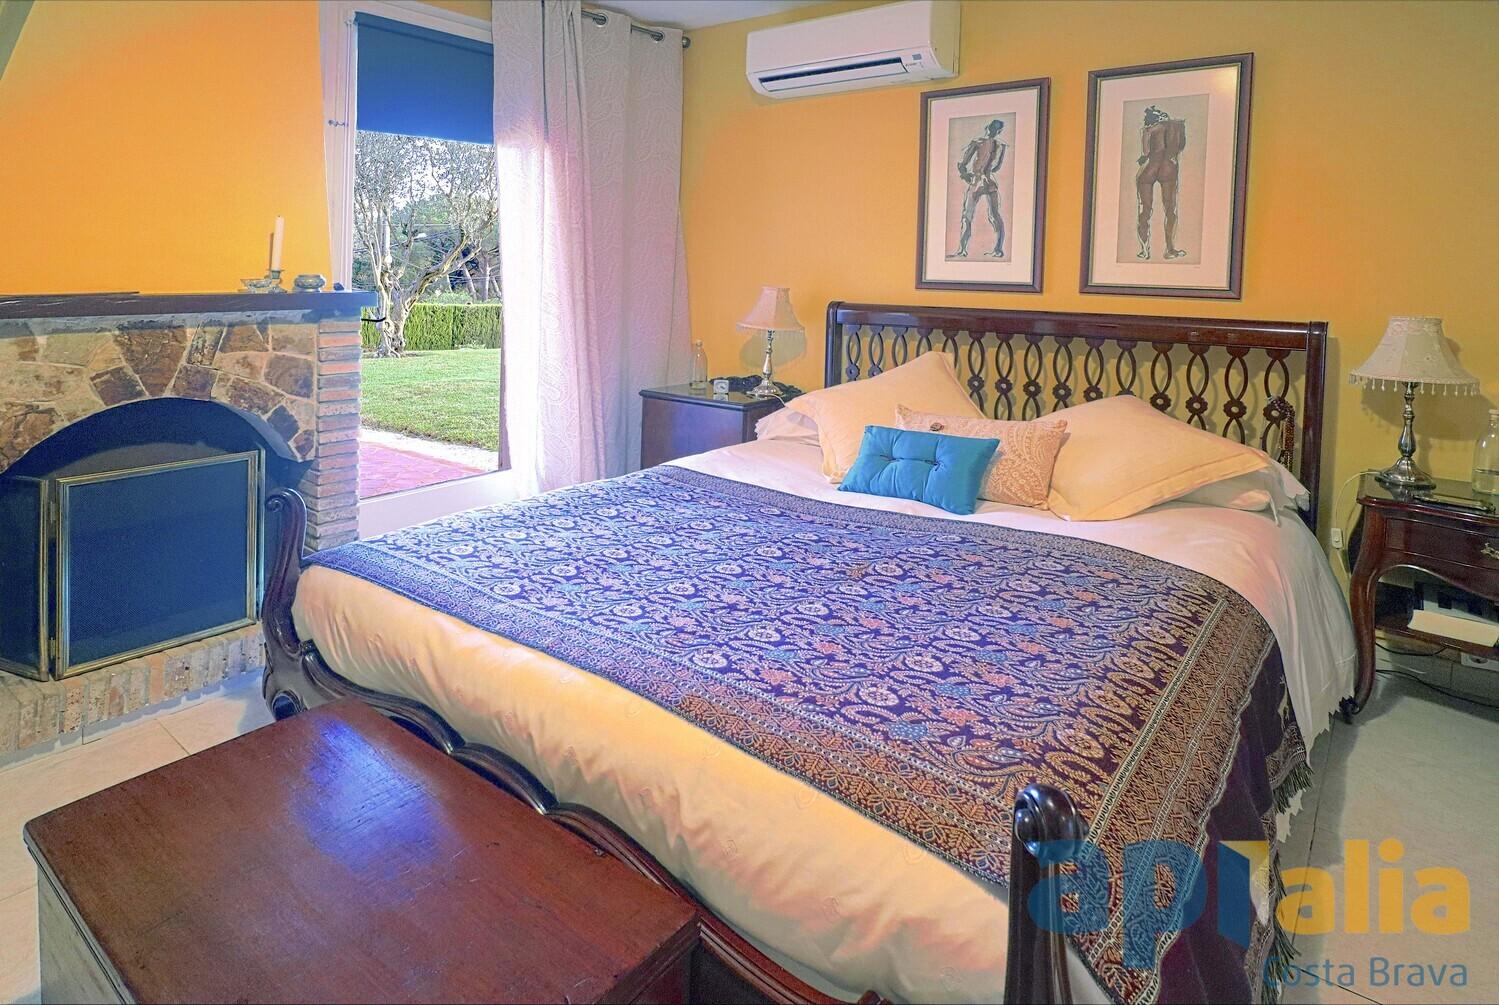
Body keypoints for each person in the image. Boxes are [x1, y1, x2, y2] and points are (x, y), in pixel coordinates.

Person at [1134, 105, 1188, 260]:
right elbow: (1181, 146)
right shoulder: (1177, 126)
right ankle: (1170, 249)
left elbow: (1145, 152)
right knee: (1170, 209)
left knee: (1145, 210)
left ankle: (1144, 250)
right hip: (1169, 167)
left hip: (1150, 168)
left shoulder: (1148, 130)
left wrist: (1142, 160)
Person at [954, 119, 1008, 258]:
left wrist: (967, 175)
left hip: (979, 181)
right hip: (987, 181)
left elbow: (963, 165)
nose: (993, 131)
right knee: (992, 215)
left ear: (989, 128)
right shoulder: (999, 146)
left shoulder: (980, 143)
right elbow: (996, 167)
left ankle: (963, 250)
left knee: (970, 216)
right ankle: (996, 249)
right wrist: (970, 174)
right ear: (998, 131)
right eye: (995, 128)